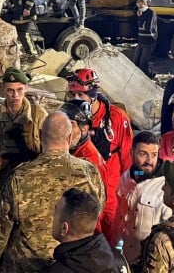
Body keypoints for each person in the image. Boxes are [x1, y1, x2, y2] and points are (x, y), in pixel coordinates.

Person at [0, 112, 105, 273]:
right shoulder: (90, 173)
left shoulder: (20, 178)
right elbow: (96, 211)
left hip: (27, 267)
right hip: (75, 265)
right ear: (68, 138)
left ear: (39, 136)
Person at [0, 68, 47, 193]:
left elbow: (51, 149)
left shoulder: (38, 115)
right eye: (10, 90)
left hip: (30, 188)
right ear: (3, 90)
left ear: (25, 88)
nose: (15, 95)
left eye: (19, 90)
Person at [66, 69, 134, 201]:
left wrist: (129, 185)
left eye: (80, 94)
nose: (76, 100)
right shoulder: (69, 117)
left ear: (92, 94)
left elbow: (127, 155)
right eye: (73, 95)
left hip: (111, 190)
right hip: (83, 187)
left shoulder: (116, 117)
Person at [60, 100, 118, 242]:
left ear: (84, 129)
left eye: (70, 125)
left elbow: (91, 212)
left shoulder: (90, 163)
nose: (64, 130)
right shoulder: (72, 151)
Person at [113, 131, 172, 266]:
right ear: (132, 152)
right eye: (143, 154)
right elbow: (119, 217)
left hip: (151, 262)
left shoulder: (166, 186)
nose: (149, 161)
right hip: (125, 258)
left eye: (154, 155)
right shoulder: (127, 176)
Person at [46, 188, 118, 273]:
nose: (53, 217)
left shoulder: (58, 270)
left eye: (56, 212)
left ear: (64, 229)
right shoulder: (114, 258)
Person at [135, 0, 158, 77]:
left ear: (145, 4)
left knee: (143, 64)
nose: (140, 8)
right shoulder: (140, 13)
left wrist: (140, 17)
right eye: (138, 7)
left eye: (141, 6)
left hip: (149, 41)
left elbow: (148, 27)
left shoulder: (151, 13)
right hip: (141, 40)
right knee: (135, 62)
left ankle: (152, 75)